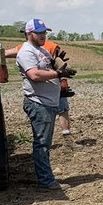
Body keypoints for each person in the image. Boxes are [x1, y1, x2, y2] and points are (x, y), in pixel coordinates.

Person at [17, 18, 75, 190]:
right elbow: (34, 75)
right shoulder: (27, 52)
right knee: (42, 143)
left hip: (47, 103)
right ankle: (46, 181)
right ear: (29, 34)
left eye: (44, 32)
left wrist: (58, 64)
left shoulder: (41, 50)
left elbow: (49, 67)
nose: (43, 35)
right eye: (39, 32)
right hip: (38, 103)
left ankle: (46, 178)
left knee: (44, 143)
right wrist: (58, 73)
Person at [5, 32, 74, 136]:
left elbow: (60, 65)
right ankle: (65, 133)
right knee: (62, 109)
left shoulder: (48, 47)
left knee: (62, 107)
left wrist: (63, 79)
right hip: (42, 92)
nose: (42, 35)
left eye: (43, 33)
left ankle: (65, 133)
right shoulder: (27, 49)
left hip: (52, 83)